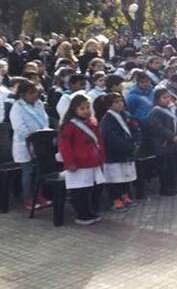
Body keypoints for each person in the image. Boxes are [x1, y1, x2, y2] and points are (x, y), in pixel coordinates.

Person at [58, 94, 106, 225]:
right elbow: (65, 147)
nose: (86, 111)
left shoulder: (92, 121)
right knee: (80, 191)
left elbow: (99, 141)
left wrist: (101, 157)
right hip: (79, 164)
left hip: (93, 161)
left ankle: (90, 211)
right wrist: (70, 163)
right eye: (82, 108)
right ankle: (81, 214)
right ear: (74, 109)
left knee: (92, 188)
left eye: (87, 107)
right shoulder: (70, 125)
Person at [9, 80, 53, 211]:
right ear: (22, 94)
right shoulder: (17, 107)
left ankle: (38, 195)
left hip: (41, 143)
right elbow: (19, 127)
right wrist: (33, 136)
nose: (34, 95)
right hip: (25, 144)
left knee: (39, 171)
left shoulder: (39, 104)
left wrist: (45, 132)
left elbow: (45, 119)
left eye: (36, 92)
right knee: (28, 172)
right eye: (31, 93)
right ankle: (28, 198)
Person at [99, 92, 140, 212]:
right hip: (115, 154)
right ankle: (115, 199)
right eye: (116, 102)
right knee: (115, 179)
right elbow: (111, 137)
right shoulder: (107, 120)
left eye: (121, 101)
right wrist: (127, 145)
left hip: (127, 152)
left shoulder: (126, 115)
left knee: (126, 177)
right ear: (109, 105)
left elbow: (136, 128)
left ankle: (125, 196)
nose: (120, 104)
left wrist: (136, 142)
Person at [146, 87, 177, 196]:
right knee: (164, 168)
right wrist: (172, 136)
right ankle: (165, 188)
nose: (167, 100)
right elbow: (158, 128)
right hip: (163, 144)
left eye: (168, 97)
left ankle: (172, 186)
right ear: (157, 99)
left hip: (174, 144)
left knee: (173, 167)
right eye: (164, 98)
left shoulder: (172, 109)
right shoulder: (155, 111)